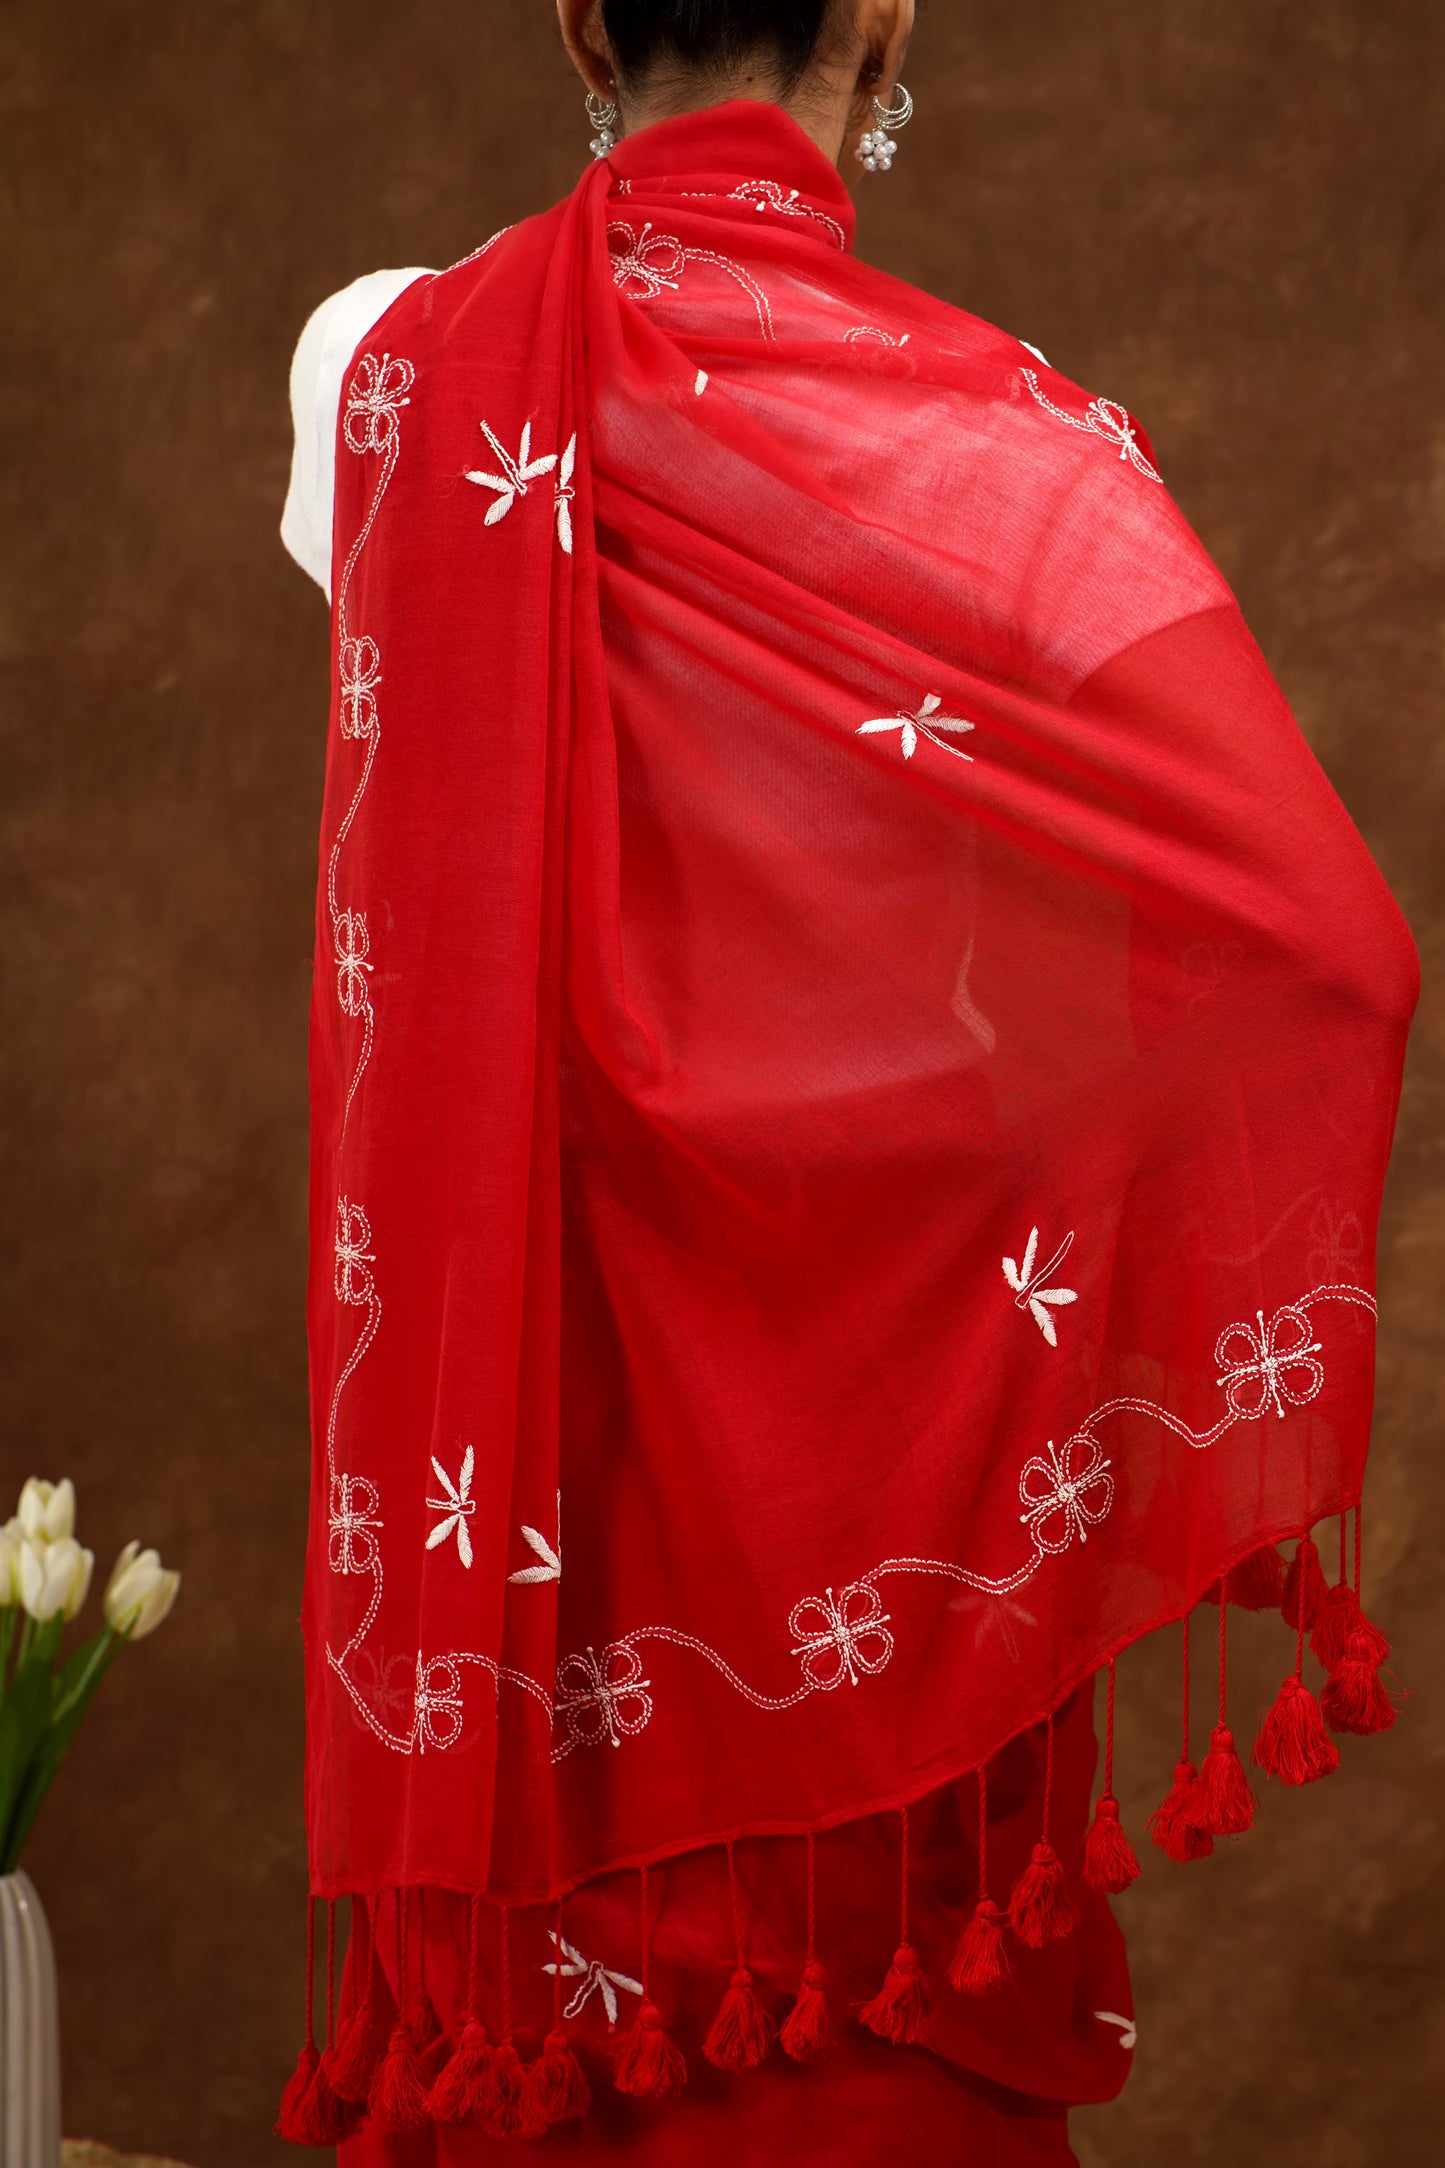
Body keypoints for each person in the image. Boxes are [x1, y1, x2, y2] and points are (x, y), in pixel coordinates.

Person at [278, 3, 1417, 2160]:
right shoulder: (1019, 450)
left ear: (583, 17)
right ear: (881, 11)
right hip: (893, 1593)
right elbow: (1323, 950)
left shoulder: (383, 372)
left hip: (525, 1544)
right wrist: (997, 1250)